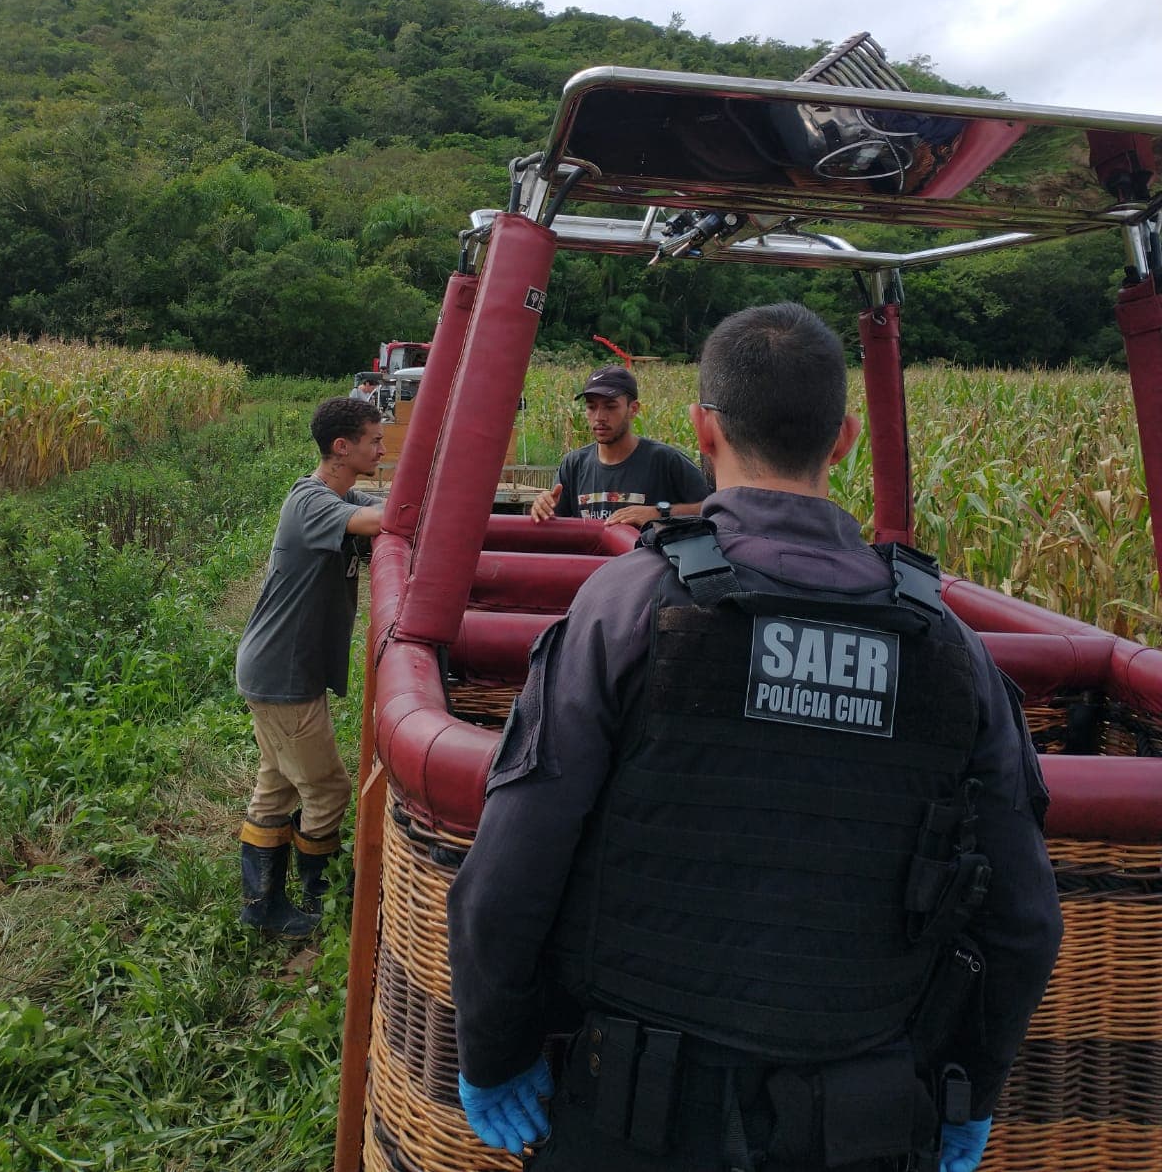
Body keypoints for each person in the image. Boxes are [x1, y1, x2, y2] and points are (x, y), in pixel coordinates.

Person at [448, 304, 1062, 1172]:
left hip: (639, 1112)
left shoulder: (628, 608)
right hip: (868, 1120)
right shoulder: (949, 647)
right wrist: (971, 1090)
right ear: (845, 439)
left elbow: (507, 878)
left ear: (702, 428)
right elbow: (1025, 921)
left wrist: (496, 1054)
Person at [235, 397, 385, 938]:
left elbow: (383, 510)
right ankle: (317, 897)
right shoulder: (311, 501)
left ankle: (262, 907)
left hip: (282, 670)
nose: (381, 447)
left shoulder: (341, 495)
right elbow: (385, 517)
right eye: (374, 439)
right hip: (283, 675)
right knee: (327, 789)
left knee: (276, 785)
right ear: (341, 448)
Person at [530, 365, 709, 529]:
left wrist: (660, 513)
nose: (599, 417)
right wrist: (543, 507)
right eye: (591, 407)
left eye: (610, 407)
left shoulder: (664, 460)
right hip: (591, 564)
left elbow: (714, 509)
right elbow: (555, 525)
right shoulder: (573, 465)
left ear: (633, 409)